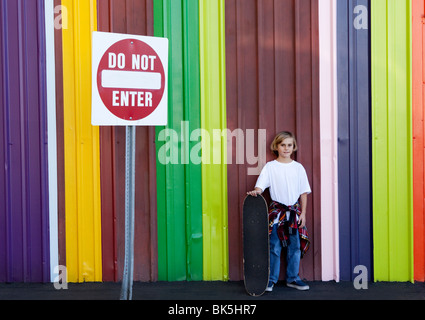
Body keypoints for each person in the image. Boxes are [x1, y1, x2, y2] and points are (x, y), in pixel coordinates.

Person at [247, 131, 311, 291]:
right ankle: (271, 280)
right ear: (276, 147)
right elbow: (260, 185)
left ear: (293, 147)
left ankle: (293, 278)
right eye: (283, 145)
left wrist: (303, 213)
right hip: (276, 214)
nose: (286, 148)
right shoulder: (270, 167)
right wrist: (256, 191)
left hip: (294, 214)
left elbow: (303, 192)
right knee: (274, 247)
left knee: (294, 248)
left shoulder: (298, 168)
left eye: (289, 145)